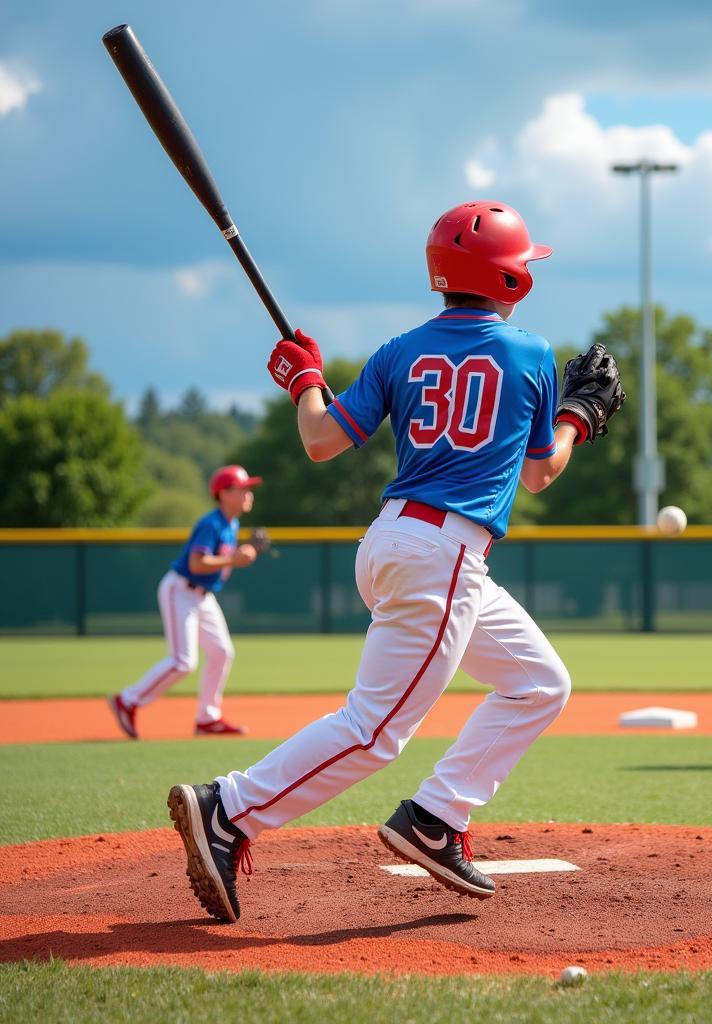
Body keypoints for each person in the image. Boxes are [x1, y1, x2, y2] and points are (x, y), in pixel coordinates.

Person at [165, 200, 625, 922]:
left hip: (398, 543)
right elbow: (541, 473)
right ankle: (230, 808)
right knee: (376, 729)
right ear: (508, 279)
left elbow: (320, 439)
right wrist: (580, 416)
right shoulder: (530, 353)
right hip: (443, 553)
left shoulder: (399, 348)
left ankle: (436, 817)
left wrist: (305, 378)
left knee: (538, 683)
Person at [108, 465, 264, 739]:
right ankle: (128, 700)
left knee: (221, 652)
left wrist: (239, 555)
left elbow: (221, 563)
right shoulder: (211, 523)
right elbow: (197, 562)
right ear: (224, 494)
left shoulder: (231, 523)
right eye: (243, 489)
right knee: (183, 661)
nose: (249, 493)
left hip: (203, 595)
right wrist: (235, 559)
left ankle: (207, 717)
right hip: (180, 590)